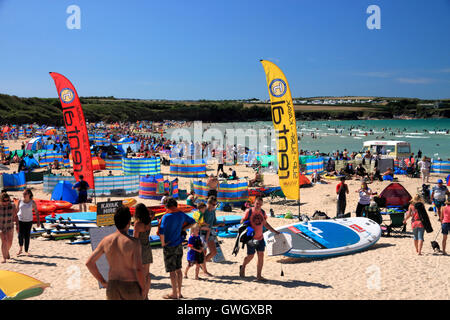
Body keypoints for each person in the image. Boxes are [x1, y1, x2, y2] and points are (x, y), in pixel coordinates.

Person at [86, 206, 145, 300]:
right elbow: (138, 269)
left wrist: (102, 281)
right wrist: (143, 288)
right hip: (130, 284)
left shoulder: (106, 240)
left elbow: (89, 263)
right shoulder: (134, 243)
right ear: (129, 223)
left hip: (112, 285)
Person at [159, 197, 196, 299]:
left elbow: (161, 231)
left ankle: (174, 293)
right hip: (178, 244)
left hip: (169, 245)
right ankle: (179, 293)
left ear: (167, 206)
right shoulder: (181, 214)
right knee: (178, 269)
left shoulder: (166, 216)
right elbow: (193, 222)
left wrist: (162, 243)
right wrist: (183, 228)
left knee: (172, 271)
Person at [239, 196, 280, 282]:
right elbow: (242, 222)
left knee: (261, 256)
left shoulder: (263, 212)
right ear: (254, 203)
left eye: (260, 204)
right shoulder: (249, 211)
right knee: (250, 256)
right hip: (251, 238)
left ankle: (259, 276)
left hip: (260, 237)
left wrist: (275, 231)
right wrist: (247, 226)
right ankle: (243, 267)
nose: (258, 206)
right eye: (257, 204)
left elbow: (265, 224)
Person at [133, 204, 153, 299]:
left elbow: (135, 239)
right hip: (147, 247)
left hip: (139, 249)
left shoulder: (137, 224)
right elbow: (153, 213)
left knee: (139, 274)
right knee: (147, 274)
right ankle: (146, 295)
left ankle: (142, 295)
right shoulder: (149, 222)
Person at [16, 189, 39, 256]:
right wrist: (15, 219)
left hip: (29, 221)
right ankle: (20, 249)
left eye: (25, 194)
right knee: (20, 235)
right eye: (23, 193)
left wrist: (38, 221)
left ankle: (26, 251)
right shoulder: (20, 201)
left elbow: (36, 212)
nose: (23, 195)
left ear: (29, 194)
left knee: (27, 236)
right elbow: (17, 210)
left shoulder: (32, 202)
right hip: (20, 220)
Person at [0, 192, 18, 263]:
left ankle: (6, 252)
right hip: (0, 227)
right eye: (4, 201)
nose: (6, 202)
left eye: (8, 200)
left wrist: (17, 225)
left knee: (9, 242)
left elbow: (16, 216)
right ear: (0, 200)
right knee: (4, 240)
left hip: (10, 227)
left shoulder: (12, 206)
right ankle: (4, 258)